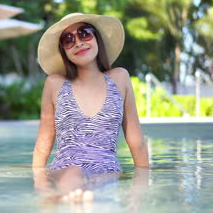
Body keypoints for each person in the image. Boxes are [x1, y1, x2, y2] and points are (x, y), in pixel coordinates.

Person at [32, 13, 149, 202]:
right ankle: (75, 196)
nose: (78, 42)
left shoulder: (120, 78)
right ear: (63, 50)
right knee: (73, 173)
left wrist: (140, 192)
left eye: (84, 33)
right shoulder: (54, 84)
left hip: (107, 171)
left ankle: (79, 199)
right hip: (65, 171)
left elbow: (137, 142)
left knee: (99, 186)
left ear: (97, 38)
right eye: (68, 39)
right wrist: (40, 187)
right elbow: (42, 146)